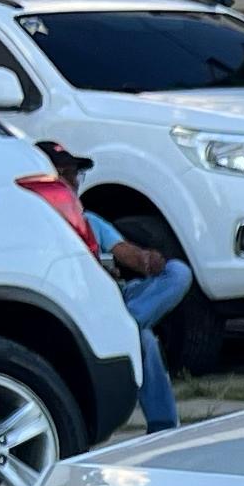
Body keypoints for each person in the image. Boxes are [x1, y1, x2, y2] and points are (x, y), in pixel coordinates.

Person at [46, 147, 188, 432]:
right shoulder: (43, 224)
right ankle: (164, 426)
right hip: (81, 304)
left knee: (178, 272)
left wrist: (147, 261)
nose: (72, 182)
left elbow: (127, 254)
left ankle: (126, 325)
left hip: (117, 299)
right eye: (64, 175)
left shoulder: (90, 221)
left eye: (75, 175)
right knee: (144, 339)